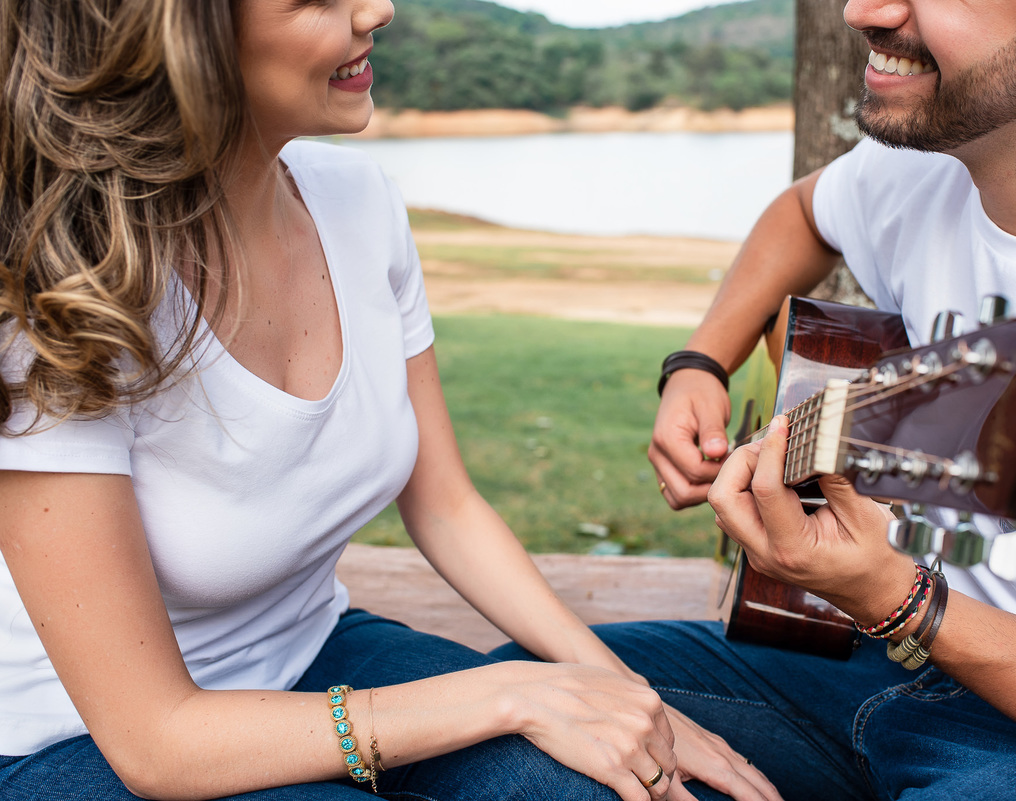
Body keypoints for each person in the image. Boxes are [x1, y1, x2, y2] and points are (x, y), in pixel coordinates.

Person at [0, 2, 790, 800]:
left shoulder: (358, 201)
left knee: (604, 780)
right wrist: (504, 692)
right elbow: (155, 742)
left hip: (314, 653)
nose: (377, 9)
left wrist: (623, 697)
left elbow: (446, 506)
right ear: (181, 37)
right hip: (83, 735)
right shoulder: (62, 298)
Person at [650, 0, 1016, 798]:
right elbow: (804, 213)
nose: (861, 9)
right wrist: (702, 361)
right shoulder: (936, 151)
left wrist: (898, 599)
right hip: (865, 654)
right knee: (545, 702)